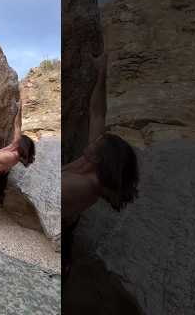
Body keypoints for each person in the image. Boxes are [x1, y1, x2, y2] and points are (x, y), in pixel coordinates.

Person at [62, 52, 139, 275]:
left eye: (99, 142)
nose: (96, 139)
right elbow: (97, 113)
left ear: (101, 156)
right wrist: (101, 71)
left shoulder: (84, 185)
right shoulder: (90, 161)